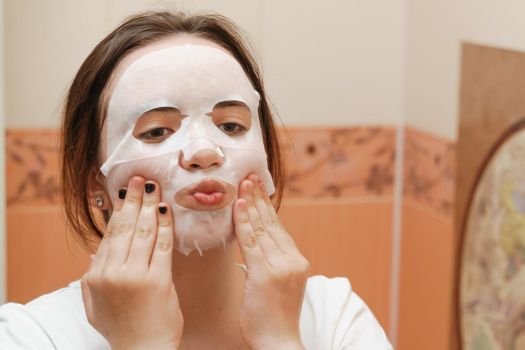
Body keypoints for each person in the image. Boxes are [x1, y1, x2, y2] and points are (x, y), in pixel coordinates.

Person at [0, 11, 392, 350]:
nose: (205, 152)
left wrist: (280, 340)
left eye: (232, 125)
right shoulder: (31, 336)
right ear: (94, 185)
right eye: (156, 131)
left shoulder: (334, 318)